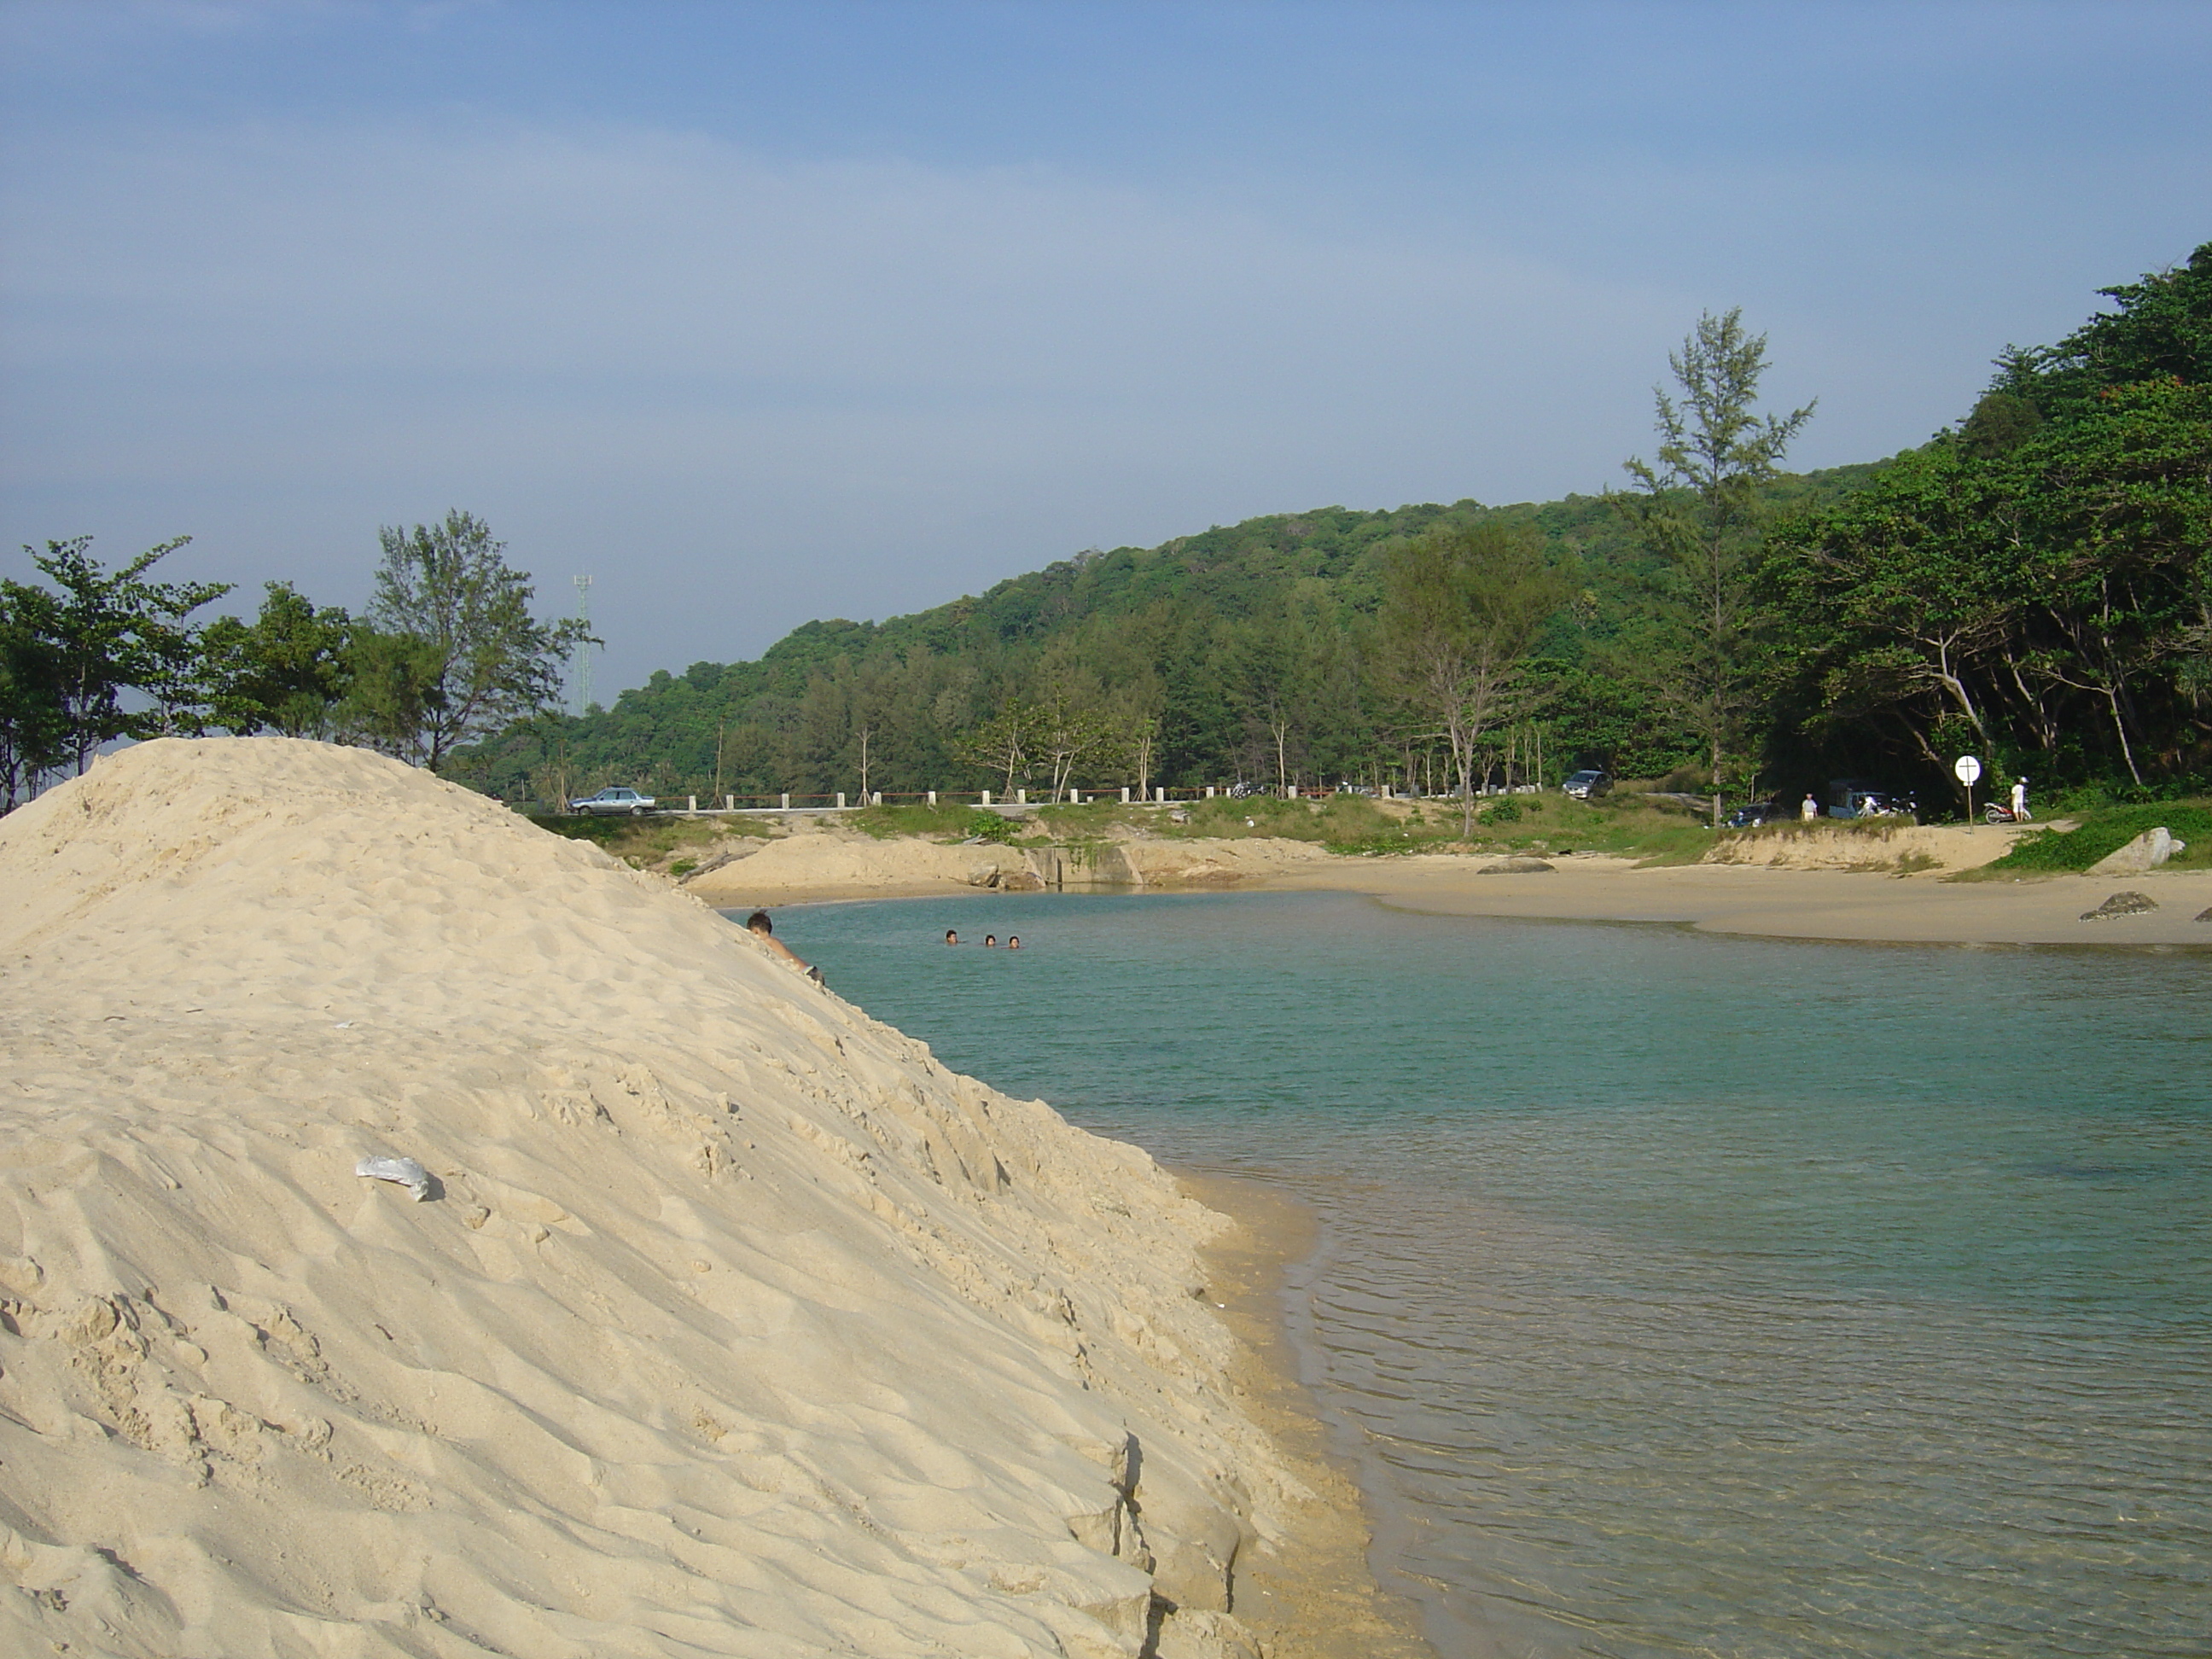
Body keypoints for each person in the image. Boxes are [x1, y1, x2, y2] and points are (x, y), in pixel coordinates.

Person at [746, 911, 824, 985]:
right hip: (811, 970)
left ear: (756, 931)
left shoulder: (768, 942)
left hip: (808, 974)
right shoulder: (775, 941)